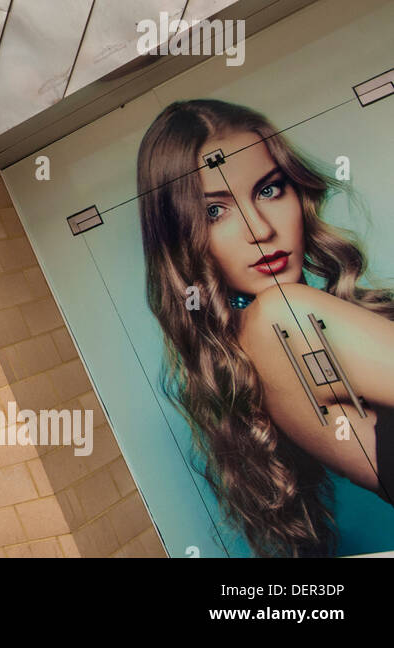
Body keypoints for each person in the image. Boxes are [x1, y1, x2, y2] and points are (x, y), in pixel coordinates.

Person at [136, 99, 394, 557]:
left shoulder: (281, 338)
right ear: (183, 240)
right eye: (214, 212)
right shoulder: (281, 318)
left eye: (270, 190)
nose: (259, 228)